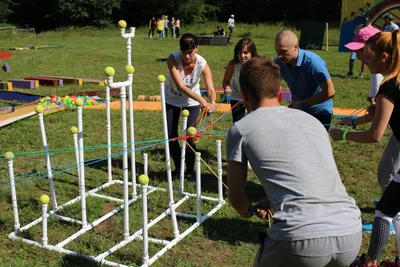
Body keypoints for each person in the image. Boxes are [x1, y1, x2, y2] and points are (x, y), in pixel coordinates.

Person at [226, 56, 362, 267]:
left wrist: (247, 211)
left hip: (299, 238)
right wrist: (272, 202)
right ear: (280, 92)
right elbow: (311, 173)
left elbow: (235, 196)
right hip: (350, 232)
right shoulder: (313, 122)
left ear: (243, 95)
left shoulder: (241, 129)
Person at [330, 30, 400, 266]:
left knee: (384, 211)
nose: (365, 62)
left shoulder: (389, 87)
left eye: (368, 58)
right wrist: (355, 121)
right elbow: (382, 115)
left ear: (383, 56)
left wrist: (345, 135)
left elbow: (375, 136)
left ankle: (369, 262)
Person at [165, 33, 216, 179]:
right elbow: (181, 86)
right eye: (184, 52)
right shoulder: (172, 59)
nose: (186, 56)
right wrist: (202, 100)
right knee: (171, 136)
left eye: (190, 52)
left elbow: (211, 89)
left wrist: (211, 103)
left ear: (196, 49)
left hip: (191, 101)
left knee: (191, 136)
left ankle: (189, 171)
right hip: (171, 99)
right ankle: (178, 169)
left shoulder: (202, 64)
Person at [274, 29, 335, 130]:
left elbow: (330, 92)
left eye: (283, 51)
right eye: (277, 50)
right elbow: (275, 84)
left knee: (315, 145)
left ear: (296, 47)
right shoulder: (279, 61)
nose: (279, 55)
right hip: (298, 110)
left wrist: (303, 104)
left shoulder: (313, 63)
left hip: (319, 112)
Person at [222, 38, 258, 122]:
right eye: (240, 52)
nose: (242, 56)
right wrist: (227, 87)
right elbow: (226, 81)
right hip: (237, 94)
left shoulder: (258, 65)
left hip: (253, 95)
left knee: (254, 121)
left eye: (246, 53)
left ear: (252, 53)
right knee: (238, 123)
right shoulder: (233, 64)